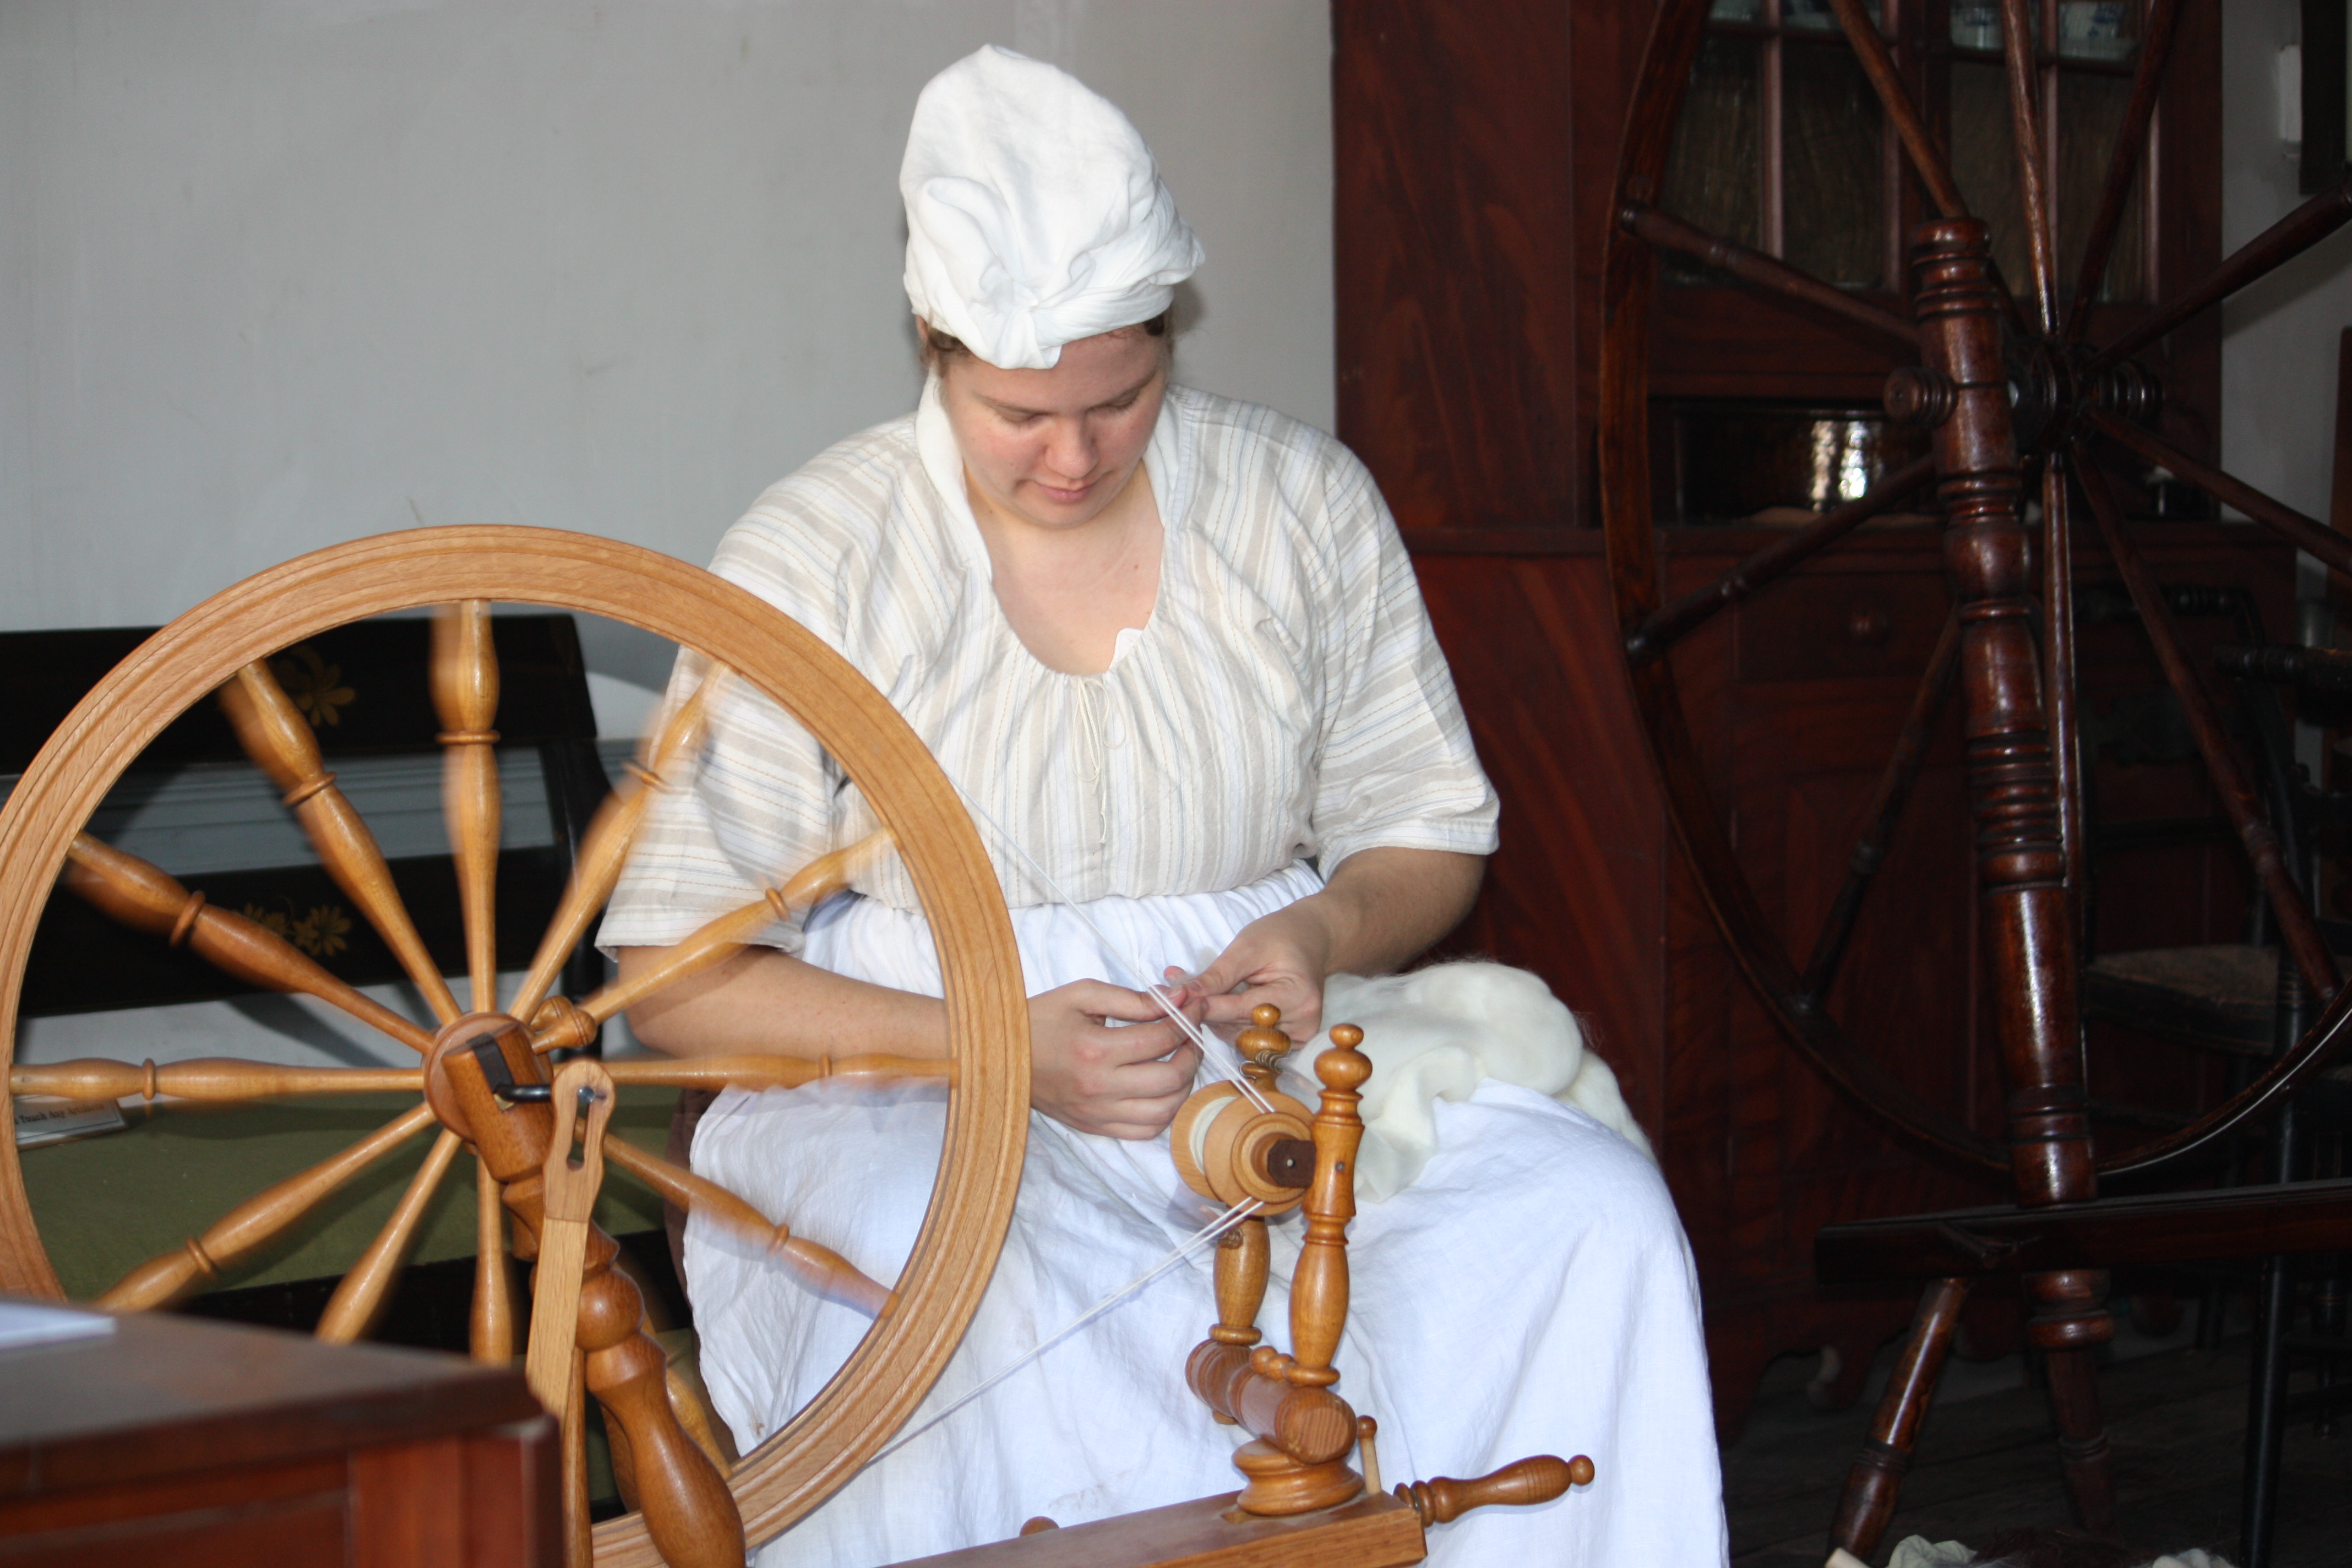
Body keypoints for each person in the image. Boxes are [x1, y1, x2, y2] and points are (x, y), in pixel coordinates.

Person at [600, 45, 1727, 1566]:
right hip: (904, 1074)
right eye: (1018, 414)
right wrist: (998, 1047)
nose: (1071, 455)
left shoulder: (1298, 504)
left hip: (1255, 1050)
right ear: (934, 343)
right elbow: (673, 982)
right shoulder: (818, 555)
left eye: (1117, 402)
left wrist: (1325, 922)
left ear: (1165, 337)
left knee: (1583, 1214)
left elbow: (1428, 831)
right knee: (983, 1288)